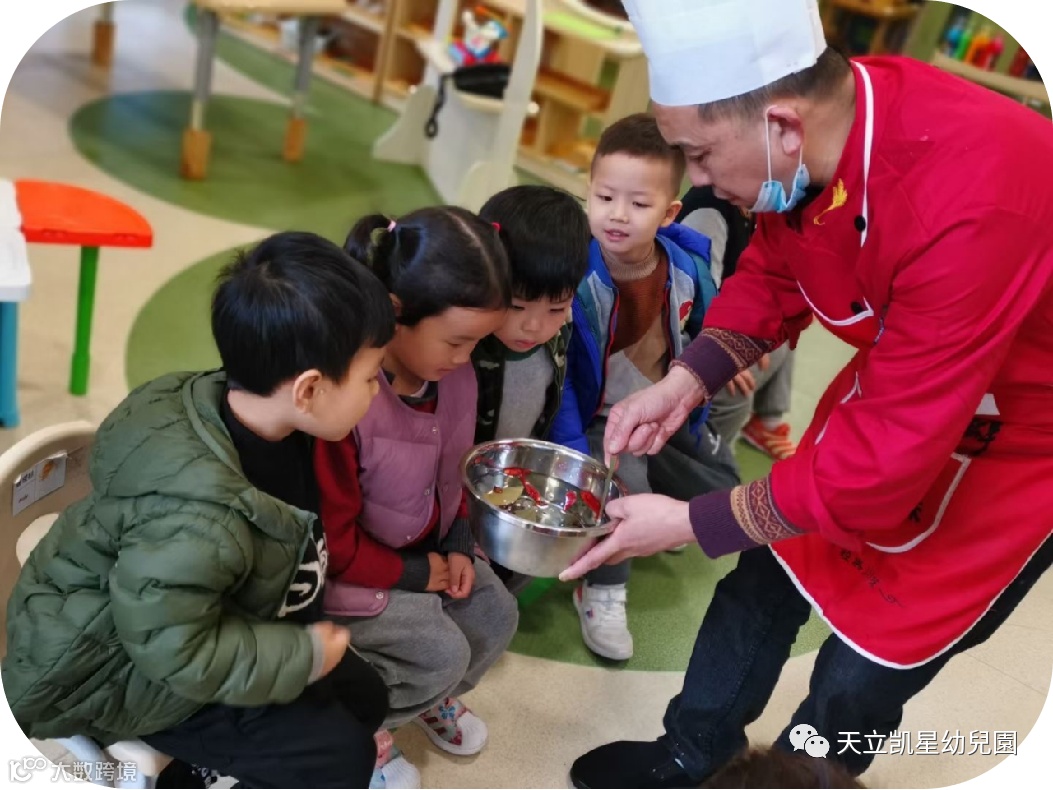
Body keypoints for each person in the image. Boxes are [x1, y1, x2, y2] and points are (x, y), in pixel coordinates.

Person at [562, 0, 1053, 786]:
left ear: (781, 126)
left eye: (697, 154)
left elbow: (876, 471)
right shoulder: (826, 135)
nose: (695, 180)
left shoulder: (967, 196)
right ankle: (691, 753)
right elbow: (774, 268)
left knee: (863, 668)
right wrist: (688, 379)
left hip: (1021, 445)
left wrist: (688, 520)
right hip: (903, 389)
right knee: (764, 578)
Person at [1, 232, 397, 789]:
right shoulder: (197, 521)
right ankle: (190, 774)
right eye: (371, 377)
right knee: (340, 759)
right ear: (308, 390)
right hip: (126, 670)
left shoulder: (264, 415)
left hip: (209, 619)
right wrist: (301, 657)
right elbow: (176, 650)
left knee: (367, 698)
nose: (378, 391)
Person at [317, 207, 519, 789]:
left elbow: (456, 472)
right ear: (394, 312)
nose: (465, 358)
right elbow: (332, 544)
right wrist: (415, 573)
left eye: (476, 342)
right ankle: (359, 729)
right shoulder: (348, 400)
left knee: (496, 615)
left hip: (422, 553)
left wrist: (457, 541)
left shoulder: (455, 375)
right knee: (438, 651)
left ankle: (429, 697)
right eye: (456, 341)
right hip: (351, 574)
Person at [549, 112, 740, 661]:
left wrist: (712, 379)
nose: (617, 214)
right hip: (595, 416)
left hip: (661, 408)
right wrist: (572, 447)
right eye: (604, 197)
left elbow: (703, 325)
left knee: (720, 487)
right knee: (622, 482)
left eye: (638, 203)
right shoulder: (573, 269)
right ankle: (603, 589)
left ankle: (656, 517)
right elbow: (558, 374)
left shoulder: (684, 265)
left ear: (669, 212)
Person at [472, 184, 591, 591]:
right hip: (462, 489)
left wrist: (575, 453)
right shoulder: (465, 346)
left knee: (520, 568)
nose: (534, 326)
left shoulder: (561, 332)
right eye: (517, 306)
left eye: (556, 308)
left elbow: (561, 391)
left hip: (514, 483)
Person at [677, 187, 797, 461]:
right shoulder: (711, 209)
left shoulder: (754, 207)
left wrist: (755, 329)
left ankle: (766, 424)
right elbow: (694, 299)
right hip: (689, 338)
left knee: (784, 328)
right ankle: (703, 466)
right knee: (736, 392)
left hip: (722, 323)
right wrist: (722, 352)